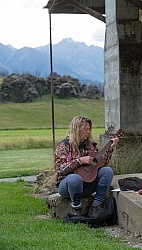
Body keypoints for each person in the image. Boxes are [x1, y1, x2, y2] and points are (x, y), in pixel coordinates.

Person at [54, 116, 119, 217]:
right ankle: (76, 209)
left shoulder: (90, 146)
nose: (88, 132)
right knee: (74, 178)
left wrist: (111, 148)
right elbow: (59, 169)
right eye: (85, 129)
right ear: (77, 129)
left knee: (107, 171)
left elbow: (100, 165)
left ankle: (96, 206)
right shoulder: (64, 146)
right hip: (68, 187)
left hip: (87, 185)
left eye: (89, 129)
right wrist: (80, 161)